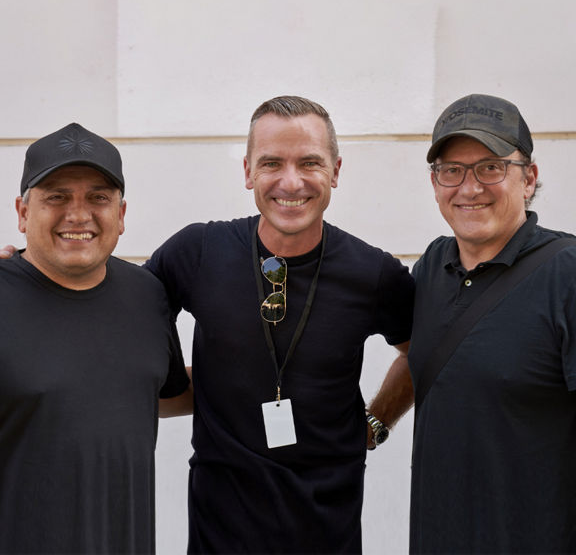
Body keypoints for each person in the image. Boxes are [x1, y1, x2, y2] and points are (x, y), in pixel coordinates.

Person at [147, 95, 415, 554]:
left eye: (309, 162)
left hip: (329, 533)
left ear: (335, 171)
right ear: (248, 171)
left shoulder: (374, 274)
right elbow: (108, 305)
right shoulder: (196, 252)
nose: (291, 182)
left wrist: (377, 421)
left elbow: (424, 350)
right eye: (272, 163)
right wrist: (28, 277)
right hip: (218, 534)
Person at [0, 123, 191, 555]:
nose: (78, 214)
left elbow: (156, 392)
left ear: (121, 215)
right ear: (23, 212)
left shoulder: (147, 295)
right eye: (57, 196)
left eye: (98, 198)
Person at [408, 93, 576, 555]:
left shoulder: (566, 274)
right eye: (451, 170)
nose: (469, 187)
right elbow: (423, 358)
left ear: (529, 179)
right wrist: (375, 420)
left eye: (490, 167)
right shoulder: (431, 266)